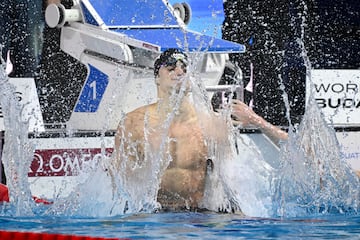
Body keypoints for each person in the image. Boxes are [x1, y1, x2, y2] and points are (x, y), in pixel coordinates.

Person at [110, 48, 288, 212]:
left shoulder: (212, 125)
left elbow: (229, 184)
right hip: (154, 214)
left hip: (198, 216)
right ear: (156, 77)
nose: (179, 73)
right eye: (171, 68)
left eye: (184, 70)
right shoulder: (133, 123)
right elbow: (119, 182)